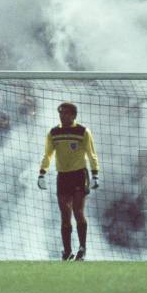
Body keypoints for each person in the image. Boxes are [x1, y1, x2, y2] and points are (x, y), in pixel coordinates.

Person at [38, 102, 99, 261]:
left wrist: (95, 174)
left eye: (65, 113)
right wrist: (42, 174)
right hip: (63, 177)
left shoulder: (83, 132)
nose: (62, 116)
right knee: (65, 216)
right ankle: (67, 251)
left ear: (73, 115)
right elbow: (48, 155)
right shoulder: (53, 132)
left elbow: (92, 154)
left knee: (78, 211)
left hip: (79, 175)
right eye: (60, 113)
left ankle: (82, 249)